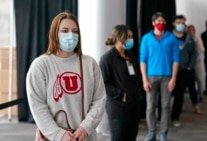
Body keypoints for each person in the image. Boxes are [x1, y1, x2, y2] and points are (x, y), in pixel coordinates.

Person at [26, 12, 106, 141]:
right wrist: (59, 134)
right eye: (65, 31)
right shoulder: (41, 65)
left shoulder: (90, 64)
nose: (71, 35)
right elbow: (38, 106)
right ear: (55, 34)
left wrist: (86, 127)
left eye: (75, 31)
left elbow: (99, 99)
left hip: (85, 137)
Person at [140, 12, 180, 141]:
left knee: (165, 106)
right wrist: (144, 79)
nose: (161, 24)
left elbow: (176, 60)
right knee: (150, 106)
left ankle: (163, 133)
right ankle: (151, 132)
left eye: (163, 21)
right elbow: (143, 60)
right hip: (151, 77)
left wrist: (173, 78)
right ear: (153, 23)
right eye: (158, 21)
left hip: (167, 77)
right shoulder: (146, 38)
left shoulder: (171, 38)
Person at [99, 25, 143, 141]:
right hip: (118, 107)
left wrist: (138, 93)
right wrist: (121, 94)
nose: (130, 40)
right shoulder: (107, 59)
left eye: (131, 37)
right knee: (119, 137)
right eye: (128, 37)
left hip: (133, 104)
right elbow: (103, 84)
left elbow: (137, 77)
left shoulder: (131, 56)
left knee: (131, 136)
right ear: (118, 38)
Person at [171, 15, 200, 128]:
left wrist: (190, 66)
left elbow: (194, 53)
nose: (181, 25)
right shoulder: (169, 37)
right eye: (178, 22)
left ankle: (175, 117)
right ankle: (160, 117)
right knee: (165, 95)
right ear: (174, 23)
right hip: (170, 70)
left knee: (180, 95)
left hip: (184, 70)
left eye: (183, 23)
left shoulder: (189, 38)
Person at [187, 25, 205, 101]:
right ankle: (192, 96)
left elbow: (202, 50)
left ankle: (201, 94)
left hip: (197, 62)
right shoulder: (185, 39)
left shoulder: (198, 38)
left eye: (192, 29)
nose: (191, 31)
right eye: (189, 30)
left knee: (199, 79)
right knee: (189, 80)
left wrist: (197, 46)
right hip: (188, 62)